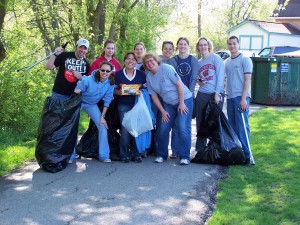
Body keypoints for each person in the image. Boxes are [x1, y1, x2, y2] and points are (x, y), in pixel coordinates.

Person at [45, 38, 90, 163]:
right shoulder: (64, 56)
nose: (82, 50)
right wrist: (55, 54)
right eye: (81, 47)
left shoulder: (86, 64)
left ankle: (70, 154)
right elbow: (48, 67)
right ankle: (53, 152)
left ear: (87, 51)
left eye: (85, 48)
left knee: (71, 125)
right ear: (77, 46)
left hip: (73, 99)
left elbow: (87, 84)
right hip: (58, 95)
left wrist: (81, 78)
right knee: (54, 123)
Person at [143, 53, 193, 165]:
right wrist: (163, 111)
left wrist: (181, 103)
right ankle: (161, 154)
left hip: (184, 100)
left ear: (156, 61)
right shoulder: (149, 77)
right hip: (168, 104)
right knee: (163, 127)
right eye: (147, 63)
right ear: (145, 66)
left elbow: (179, 85)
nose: (150, 63)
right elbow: (154, 96)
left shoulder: (167, 68)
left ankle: (184, 156)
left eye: (151, 60)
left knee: (182, 126)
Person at [74, 61, 115, 162]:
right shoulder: (88, 80)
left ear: (111, 72)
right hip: (78, 102)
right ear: (99, 70)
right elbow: (77, 91)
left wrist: (102, 117)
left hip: (91, 105)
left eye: (107, 71)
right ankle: (71, 155)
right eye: (103, 70)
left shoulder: (110, 83)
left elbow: (107, 100)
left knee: (103, 126)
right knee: (72, 126)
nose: (105, 73)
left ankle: (104, 156)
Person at [168, 37, 199, 158]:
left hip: (188, 96)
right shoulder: (173, 61)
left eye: (185, 44)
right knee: (176, 124)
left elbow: (194, 78)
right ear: (177, 46)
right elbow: (171, 79)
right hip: (174, 96)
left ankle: (184, 151)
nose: (182, 46)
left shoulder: (193, 60)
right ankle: (175, 151)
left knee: (184, 124)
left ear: (188, 46)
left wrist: (189, 94)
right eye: (180, 44)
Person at [224, 36, 253, 165]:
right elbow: (224, 80)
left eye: (234, 44)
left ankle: (248, 157)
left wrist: (243, 99)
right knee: (233, 128)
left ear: (238, 44)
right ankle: (238, 155)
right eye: (230, 44)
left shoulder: (245, 60)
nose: (232, 46)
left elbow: (248, 80)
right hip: (230, 98)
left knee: (242, 128)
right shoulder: (227, 62)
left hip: (241, 98)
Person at [114, 52, 147, 163]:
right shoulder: (118, 75)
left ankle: (136, 153)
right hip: (123, 105)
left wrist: (137, 91)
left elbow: (145, 89)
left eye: (133, 59)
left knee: (136, 129)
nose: (130, 61)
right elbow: (113, 91)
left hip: (138, 106)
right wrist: (125, 91)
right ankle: (123, 154)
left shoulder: (142, 74)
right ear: (124, 61)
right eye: (128, 59)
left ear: (136, 61)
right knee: (125, 130)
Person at [195, 37, 225, 151]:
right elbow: (197, 78)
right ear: (198, 47)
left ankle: (215, 149)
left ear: (208, 46)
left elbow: (221, 77)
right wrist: (199, 81)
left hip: (215, 95)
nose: (203, 47)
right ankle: (200, 149)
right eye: (200, 45)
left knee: (214, 121)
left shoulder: (216, 59)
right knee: (200, 121)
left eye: (204, 44)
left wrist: (217, 93)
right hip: (202, 94)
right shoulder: (198, 63)